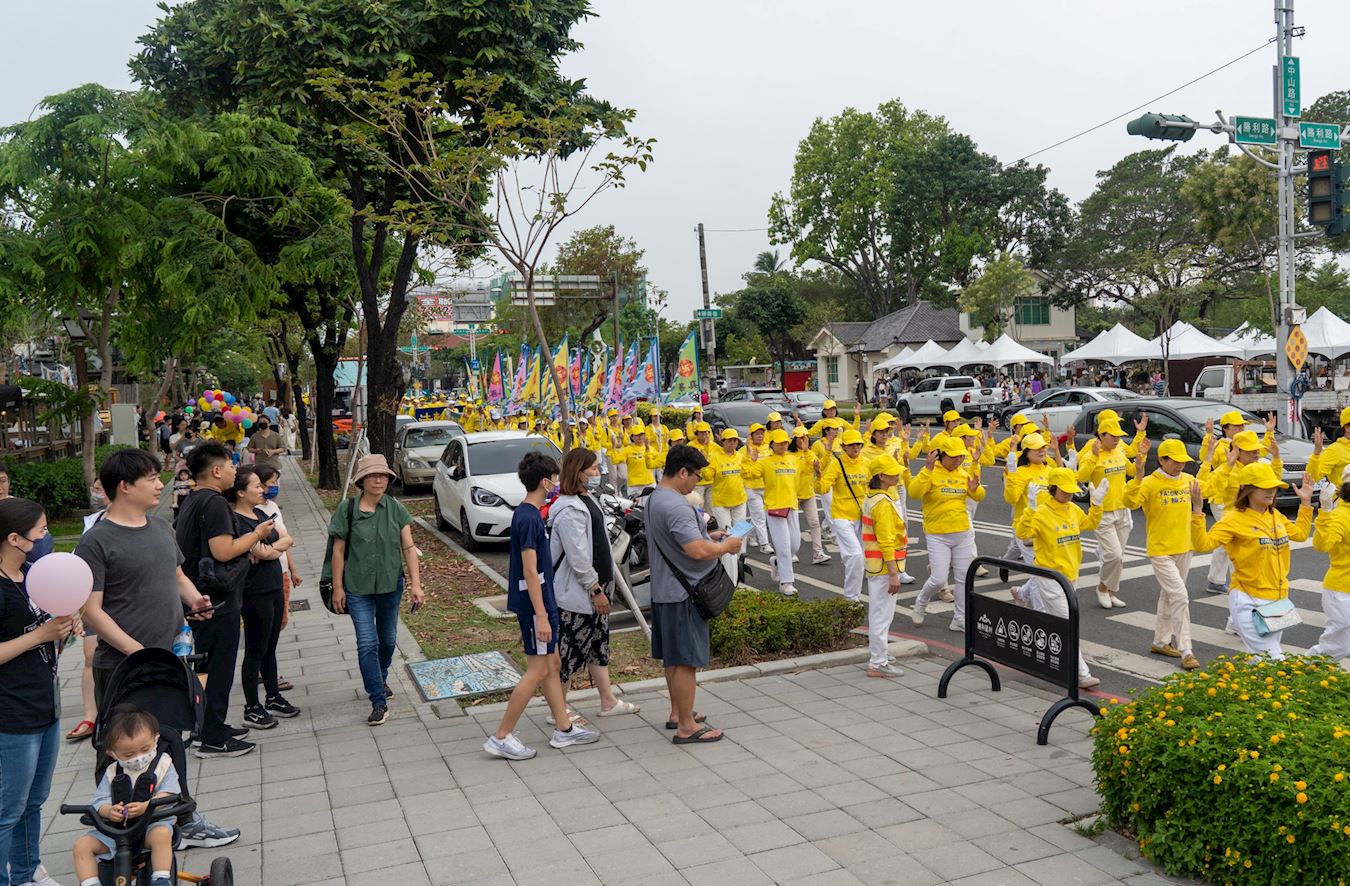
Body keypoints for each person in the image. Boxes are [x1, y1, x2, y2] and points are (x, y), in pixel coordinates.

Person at [74, 450, 236, 849]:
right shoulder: (96, 542)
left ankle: (179, 820)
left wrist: (196, 601)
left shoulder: (161, 527)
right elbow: (90, 610)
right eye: (151, 478)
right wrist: (137, 652)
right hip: (122, 667)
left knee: (168, 742)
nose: (161, 484)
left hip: (167, 661)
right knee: (120, 749)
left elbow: (177, 575)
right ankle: (115, 830)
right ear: (125, 486)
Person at [484, 453, 600, 759]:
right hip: (536, 607)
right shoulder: (529, 518)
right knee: (536, 670)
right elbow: (530, 570)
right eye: (555, 478)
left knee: (553, 665)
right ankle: (501, 736)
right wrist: (541, 616)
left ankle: (564, 729)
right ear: (544, 481)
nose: (558, 483)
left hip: (543, 604)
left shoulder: (530, 514)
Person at [176, 442, 270, 758]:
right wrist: (256, 535)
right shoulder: (215, 504)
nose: (234, 470)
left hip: (199, 596)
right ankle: (213, 738)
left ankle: (211, 726)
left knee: (208, 666)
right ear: (216, 471)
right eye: (231, 466)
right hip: (214, 600)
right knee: (219, 668)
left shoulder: (192, 500)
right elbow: (223, 550)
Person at [0, 498, 76, 886]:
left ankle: (27, 872)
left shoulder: (32, 574)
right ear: (14, 538)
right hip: (11, 711)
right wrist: (39, 636)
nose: (46, 536)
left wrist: (65, 624)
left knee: (34, 799)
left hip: (45, 701)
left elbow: (48, 625)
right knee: (7, 808)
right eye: (41, 531)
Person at [645, 444, 743, 745]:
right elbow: (698, 551)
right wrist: (725, 546)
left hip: (665, 590)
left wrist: (707, 535)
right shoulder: (676, 505)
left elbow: (683, 540)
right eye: (695, 476)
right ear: (682, 472)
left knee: (673, 658)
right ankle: (687, 726)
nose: (696, 483)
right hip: (684, 593)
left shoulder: (655, 498)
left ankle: (678, 712)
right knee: (686, 660)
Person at [328, 455, 424, 726]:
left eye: (383, 476)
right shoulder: (347, 510)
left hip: (390, 585)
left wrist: (416, 585)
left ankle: (379, 678)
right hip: (357, 587)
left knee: (389, 640)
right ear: (361, 481)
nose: (379, 480)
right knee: (367, 643)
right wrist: (338, 588)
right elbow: (338, 550)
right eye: (373, 476)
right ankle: (377, 699)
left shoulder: (395, 509)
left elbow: (408, 547)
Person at [547, 448, 640, 725]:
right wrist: (595, 590)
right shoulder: (568, 509)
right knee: (569, 652)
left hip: (598, 586)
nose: (597, 472)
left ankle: (608, 700)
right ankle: (558, 710)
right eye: (593, 469)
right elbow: (578, 557)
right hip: (580, 594)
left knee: (598, 646)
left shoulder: (586, 499)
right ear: (578, 472)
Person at [1192, 463, 1314, 659]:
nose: (1271, 492)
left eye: (1273, 487)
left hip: (1278, 601)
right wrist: (1197, 511)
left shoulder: (1274, 515)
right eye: (1264, 487)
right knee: (1274, 660)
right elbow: (1202, 545)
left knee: (1263, 660)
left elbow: (1300, 534)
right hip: (1249, 601)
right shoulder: (1232, 519)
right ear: (1246, 489)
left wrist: (1306, 503)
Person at [1015, 467, 1106, 689]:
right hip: (1050, 576)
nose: (1068, 495)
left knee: (1058, 622)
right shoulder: (1042, 512)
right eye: (1064, 491)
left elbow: (1089, 524)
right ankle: (1081, 674)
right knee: (1068, 622)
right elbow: (1023, 534)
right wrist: (1030, 510)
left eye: (1071, 491)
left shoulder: (1073, 509)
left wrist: (1097, 504)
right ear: (1052, 489)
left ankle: (1040, 650)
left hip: (1070, 575)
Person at [71, 708, 179, 886]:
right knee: (82, 845)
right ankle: (90, 883)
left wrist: (147, 806)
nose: (138, 758)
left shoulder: (163, 764)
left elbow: (171, 793)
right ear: (112, 754)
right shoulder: (112, 772)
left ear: (156, 739)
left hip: (152, 825)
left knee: (161, 835)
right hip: (117, 831)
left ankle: (161, 878)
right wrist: (109, 811)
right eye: (129, 755)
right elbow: (100, 800)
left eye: (145, 749)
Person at [228, 468, 299, 731]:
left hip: (274, 585)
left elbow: (284, 540)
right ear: (240, 492)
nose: (262, 490)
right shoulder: (236, 521)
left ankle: (273, 697)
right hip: (254, 591)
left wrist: (270, 548)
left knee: (270, 645)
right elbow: (265, 551)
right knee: (255, 650)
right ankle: (252, 707)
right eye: (257, 486)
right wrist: (266, 549)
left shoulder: (260, 513)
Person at [1124, 439, 1202, 671]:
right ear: (1162, 460)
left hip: (1184, 547)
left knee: (1169, 596)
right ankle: (1186, 650)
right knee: (1180, 596)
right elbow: (1129, 501)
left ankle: (1160, 641)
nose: (1180, 466)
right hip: (1160, 550)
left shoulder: (1189, 481)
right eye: (1175, 461)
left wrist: (1214, 462)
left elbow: (1215, 486)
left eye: (1182, 461)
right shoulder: (1149, 483)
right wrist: (1137, 477)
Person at [909, 438, 984, 632]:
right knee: (939, 577)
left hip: (962, 533)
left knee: (963, 578)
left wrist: (976, 490)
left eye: (961, 456)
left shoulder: (962, 473)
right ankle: (921, 601)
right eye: (953, 457)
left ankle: (959, 618)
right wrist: (926, 469)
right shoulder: (930, 472)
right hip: (937, 534)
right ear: (941, 455)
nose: (958, 460)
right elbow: (914, 493)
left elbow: (978, 494)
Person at [1076, 416, 1135, 610]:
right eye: (1113, 436)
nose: (1117, 439)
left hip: (1122, 509)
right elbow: (1081, 477)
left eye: (1119, 436)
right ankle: (1102, 587)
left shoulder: (1119, 451)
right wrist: (1093, 457)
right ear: (1102, 435)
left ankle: (1111, 591)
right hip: (1103, 513)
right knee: (1113, 555)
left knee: (1120, 557)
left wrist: (1140, 459)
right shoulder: (1092, 451)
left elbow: (1132, 471)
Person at [861, 455, 909, 678]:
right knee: (882, 615)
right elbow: (886, 540)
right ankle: (878, 663)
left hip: (875, 565)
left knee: (879, 613)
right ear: (881, 476)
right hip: (884, 566)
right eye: (893, 472)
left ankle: (880, 655)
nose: (898, 474)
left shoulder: (871, 497)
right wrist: (893, 574)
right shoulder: (882, 504)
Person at [744, 428, 801, 596]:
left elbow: (804, 475)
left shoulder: (793, 459)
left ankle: (777, 563)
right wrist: (751, 460)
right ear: (772, 445)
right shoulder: (764, 462)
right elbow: (748, 474)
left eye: (785, 442)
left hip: (791, 506)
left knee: (795, 545)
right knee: (783, 546)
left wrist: (806, 451)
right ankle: (786, 582)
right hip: (774, 508)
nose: (783, 445)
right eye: (779, 442)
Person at [817, 429, 870, 602]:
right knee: (854, 555)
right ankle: (851, 598)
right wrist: (818, 476)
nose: (856, 447)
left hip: (863, 516)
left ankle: (854, 593)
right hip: (842, 516)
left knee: (860, 558)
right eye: (851, 445)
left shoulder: (867, 463)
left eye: (858, 444)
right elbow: (823, 488)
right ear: (844, 447)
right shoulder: (837, 464)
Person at [1310, 465, 1350, 659]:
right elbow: (1322, 544)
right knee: (1336, 648)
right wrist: (1325, 512)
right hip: (1342, 591)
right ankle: (1297, 675)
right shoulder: (1340, 516)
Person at [707, 429, 748, 582]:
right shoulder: (715, 458)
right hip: (721, 502)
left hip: (739, 501)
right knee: (726, 535)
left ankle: (740, 566)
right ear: (722, 442)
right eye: (729, 440)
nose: (732, 443)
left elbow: (749, 473)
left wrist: (753, 461)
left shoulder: (741, 457)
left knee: (740, 534)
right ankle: (726, 571)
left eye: (735, 441)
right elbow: (707, 475)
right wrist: (705, 466)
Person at [791, 426, 829, 565]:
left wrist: (807, 450)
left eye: (805, 437)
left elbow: (815, 466)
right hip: (793, 495)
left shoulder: (810, 453)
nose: (803, 440)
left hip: (808, 493)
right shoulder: (790, 456)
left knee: (814, 523)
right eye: (800, 438)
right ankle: (790, 553)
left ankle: (818, 553)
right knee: (792, 526)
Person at [742, 424, 771, 554]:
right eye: (757, 433)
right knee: (759, 516)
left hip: (767, 486)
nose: (760, 436)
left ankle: (751, 534)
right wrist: (751, 460)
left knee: (761, 515)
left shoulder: (768, 448)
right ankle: (764, 544)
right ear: (751, 435)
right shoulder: (744, 450)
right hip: (752, 488)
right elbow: (743, 471)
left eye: (761, 433)